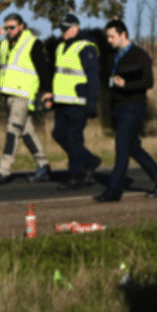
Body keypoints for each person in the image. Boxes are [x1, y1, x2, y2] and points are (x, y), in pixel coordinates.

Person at [94, 19, 157, 202]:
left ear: (123, 35)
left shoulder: (139, 55)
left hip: (134, 106)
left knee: (121, 148)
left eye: (112, 36)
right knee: (133, 148)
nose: (109, 40)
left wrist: (126, 84)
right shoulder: (114, 56)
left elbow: (148, 82)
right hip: (119, 108)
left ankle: (114, 191)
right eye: (108, 37)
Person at [0, 13, 53, 184]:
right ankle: (43, 165)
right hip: (10, 95)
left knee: (13, 130)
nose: (9, 30)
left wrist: (47, 91)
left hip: (24, 95)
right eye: (7, 27)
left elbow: (43, 69)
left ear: (22, 26)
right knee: (26, 131)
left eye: (12, 27)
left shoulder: (32, 43)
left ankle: (4, 170)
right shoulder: (4, 43)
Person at [45, 13, 102, 189]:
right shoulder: (61, 47)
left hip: (78, 101)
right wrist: (51, 97)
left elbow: (94, 77)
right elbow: (59, 76)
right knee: (59, 135)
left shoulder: (86, 47)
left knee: (74, 138)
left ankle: (76, 177)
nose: (64, 32)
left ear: (76, 27)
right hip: (62, 101)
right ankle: (90, 161)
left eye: (67, 28)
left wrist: (91, 102)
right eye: (62, 29)